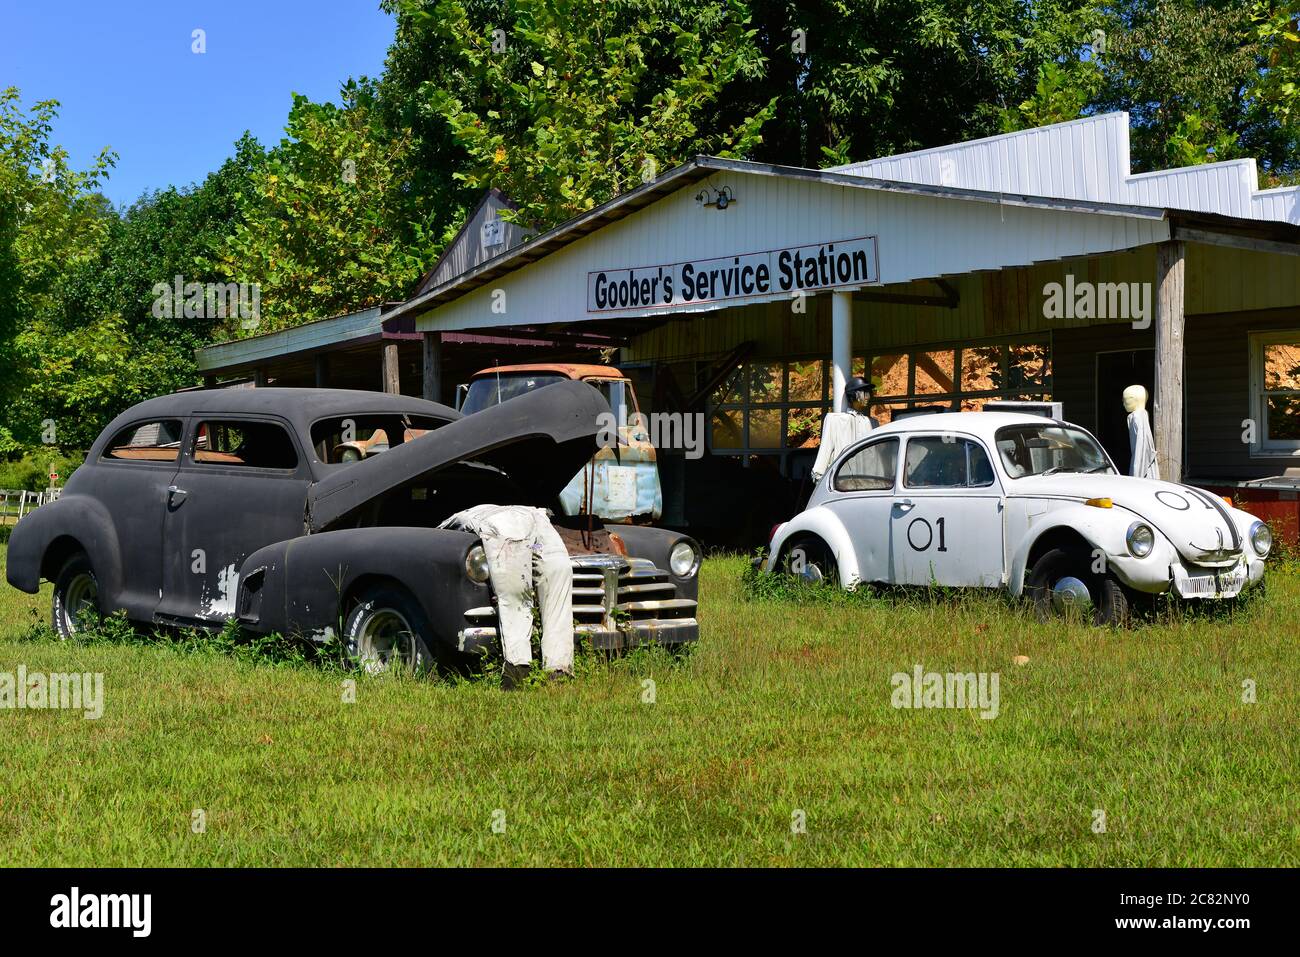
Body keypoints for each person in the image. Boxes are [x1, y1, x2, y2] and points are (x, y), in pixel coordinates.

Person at [439, 504, 574, 690]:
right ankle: (559, 671)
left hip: (505, 525)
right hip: (538, 521)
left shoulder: (456, 519)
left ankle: (518, 671)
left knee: (516, 598)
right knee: (558, 584)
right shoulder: (525, 510)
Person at [810, 376, 880, 483]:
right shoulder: (835, 420)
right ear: (852, 395)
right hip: (842, 484)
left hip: (867, 483)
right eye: (863, 393)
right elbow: (825, 449)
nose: (868, 397)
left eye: (868, 392)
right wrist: (819, 475)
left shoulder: (872, 423)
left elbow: (876, 457)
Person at [1124, 384, 1158, 479]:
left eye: (1125, 399)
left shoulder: (1137, 418)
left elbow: (1140, 450)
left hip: (1142, 473)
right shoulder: (1140, 416)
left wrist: (1136, 476)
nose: (1123, 402)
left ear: (1134, 399)